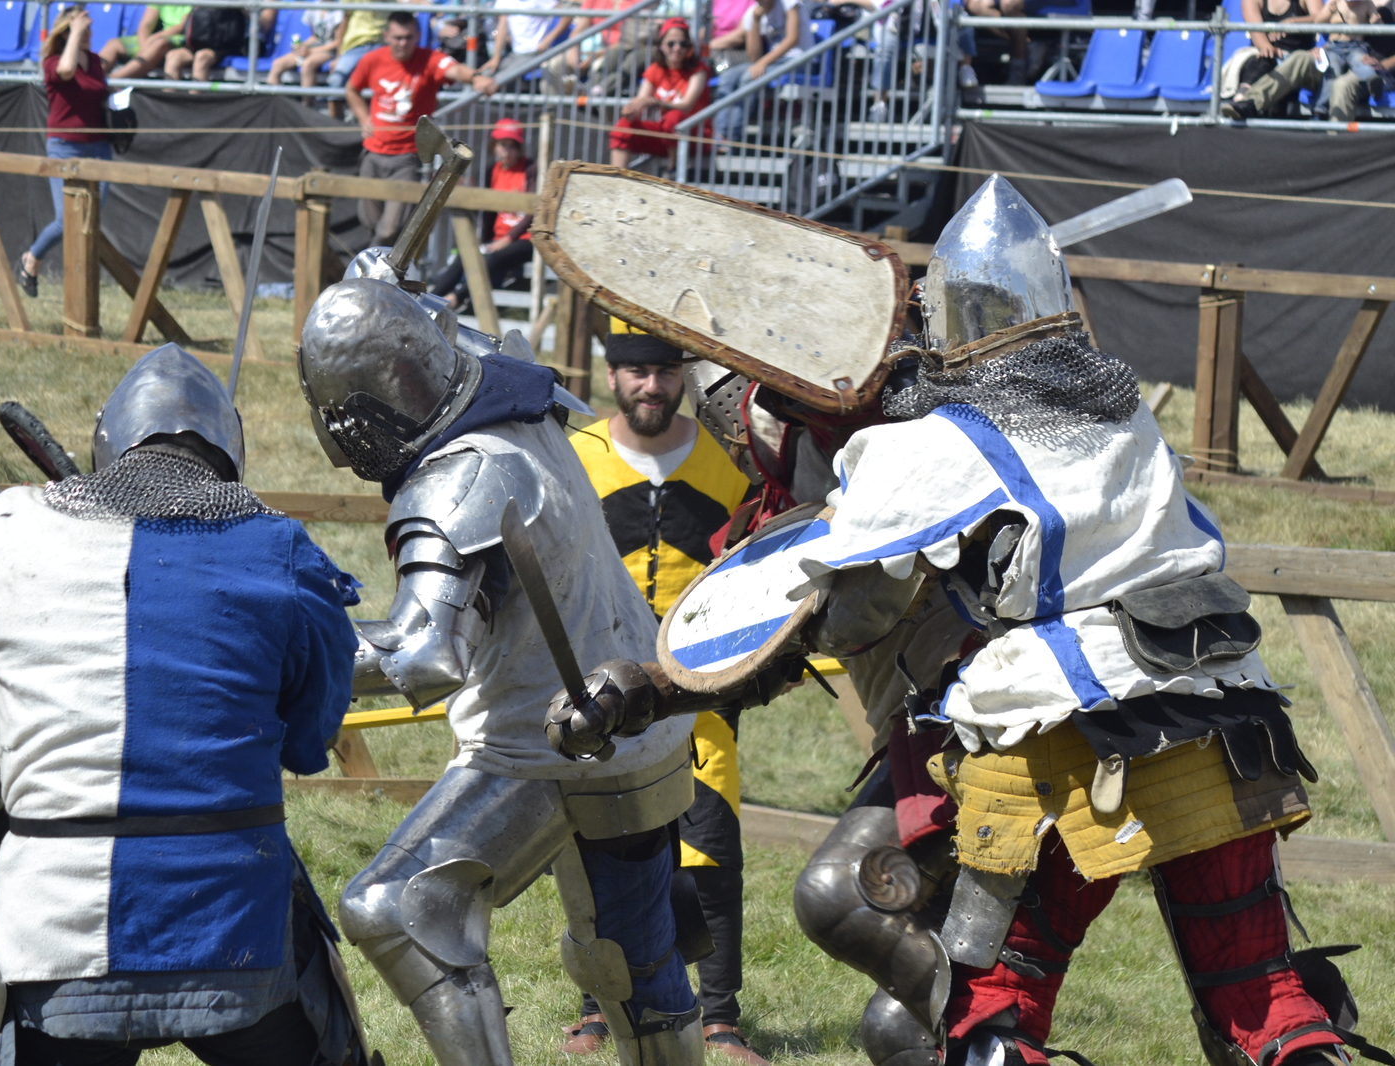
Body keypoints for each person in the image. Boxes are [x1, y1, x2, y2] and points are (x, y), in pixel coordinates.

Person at [544, 175, 1383, 1066]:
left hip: (1066, 737)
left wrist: (660, 683)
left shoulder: (942, 438)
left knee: (994, 1010)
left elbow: (852, 603)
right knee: (1266, 997)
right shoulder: (1122, 408)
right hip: (1226, 718)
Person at [0, 342, 370, 1066]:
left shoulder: (1, 532)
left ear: (107, 443)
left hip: (60, 937)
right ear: (230, 453)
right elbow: (309, 740)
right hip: (232, 931)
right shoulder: (282, 549)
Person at [299, 266, 708, 1066]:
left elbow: (424, 655)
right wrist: (396, 296)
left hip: (551, 740)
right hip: (641, 709)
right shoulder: (509, 380)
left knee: (396, 905)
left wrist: (278, 650)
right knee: (629, 959)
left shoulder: (460, 481)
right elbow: (451, 326)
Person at [563, 320, 766, 1065]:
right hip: (602, 697)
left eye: (665, 370)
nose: (652, 385)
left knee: (710, 851)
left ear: (683, 375)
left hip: (699, 694)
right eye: (637, 371)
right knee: (603, 855)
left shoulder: (731, 463)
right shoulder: (576, 457)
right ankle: (598, 1010)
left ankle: (721, 1019)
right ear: (613, 375)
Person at [345, 12, 497, 246]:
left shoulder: (430, 59)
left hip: (405, 158)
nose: (402, 43)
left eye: (407, 37)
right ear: (387, 36)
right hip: (373, 153)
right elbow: (351, 89)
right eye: (397, 37)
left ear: (417, 36)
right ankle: (374, 264)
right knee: (370, 221)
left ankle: (371, 270)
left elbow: (454, 70)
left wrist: (475, 77)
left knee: (390, 228)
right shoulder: (372, 59)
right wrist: (364, 118)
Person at [16, 6, 110, 298]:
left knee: (91, 216)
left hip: (99, 147)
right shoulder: (53, 62)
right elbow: (66, 71)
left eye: (90, 27)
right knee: (66, 218)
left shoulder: (95, 61)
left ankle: (82, 282)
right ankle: (32, 259)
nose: (90, 32)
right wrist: (76, 30)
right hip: (64, 146)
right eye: (84, 27)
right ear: (68, 31)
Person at [428, 117, 536, 311]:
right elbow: (485, 211)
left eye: (512, 146)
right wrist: (467, 191)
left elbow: (533, 213)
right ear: (494, 146)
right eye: (503, 145)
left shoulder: (530, 169)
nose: (507, 151)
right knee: (466, 254)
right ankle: (429, 300)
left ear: (519, 148)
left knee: (492, 259)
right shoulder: (492, 171)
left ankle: (456, 298)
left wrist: (508, 239)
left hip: (525, 239)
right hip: (496, 238)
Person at [1225, 0, 1391, 120]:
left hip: (1365, 70)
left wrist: (1383, 65)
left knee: (1342, 84)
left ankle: (1334, 143)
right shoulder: (1339, 2)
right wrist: (1323, 47)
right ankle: (1250, 103)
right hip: (1334, 57)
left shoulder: (1383, 7)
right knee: (1301, 58)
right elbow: (1321, 21)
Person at [610, 18, 711, 170]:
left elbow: (687, 106)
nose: (677, 48)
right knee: (623, 127)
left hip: (694, 136)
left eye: (683, 44)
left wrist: (656, 102)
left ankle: (674, 169)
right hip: (667, 136)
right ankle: (616, 180)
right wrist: (631, 112)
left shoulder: (698, 70)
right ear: (661, 45)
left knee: (674, 117)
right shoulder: (656, 68)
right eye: (671, 43)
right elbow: (640, 101)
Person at [710, 0, 806, 148]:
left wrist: (763, 62)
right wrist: (755, 22)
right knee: (728, 77)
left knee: (749, 77)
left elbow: (793, 39)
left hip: (799, 60)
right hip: (773, 62)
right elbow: (754, 57)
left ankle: (731, 137)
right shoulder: (752, 12)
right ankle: (720, 135)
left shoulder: (789, 3)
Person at [1220, 0, 1327, 112]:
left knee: (1286, 65)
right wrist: (1269, 49)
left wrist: (1292, 22)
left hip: (1294, 60)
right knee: (1263, 59)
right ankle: (1242, 99)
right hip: (1265, 58)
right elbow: (1258, 36)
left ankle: (1243, 102)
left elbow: (1321, 17)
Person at [481, 0, 577, 92]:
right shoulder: (504, 1)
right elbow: (502, 26)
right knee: (482, 76)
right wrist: (495, 58)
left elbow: (567, 15)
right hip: (515, 54)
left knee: (495, 81)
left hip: (535, 53)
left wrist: (547, 41)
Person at [165, 5, 269, 82]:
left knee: (202, 57)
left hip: (231, 45)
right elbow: (187, 21)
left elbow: (265, 25)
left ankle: (196, 104)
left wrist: (240, 5)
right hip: (199, 41)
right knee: (173, 56)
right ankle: (169, 107)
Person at [98, 4, 191, 78]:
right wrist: (144, 46)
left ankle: (115, 81)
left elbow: (182, 26)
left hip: (183, 39)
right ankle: (94, 76)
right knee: (114, 44)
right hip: (155, 39)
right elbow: (145, 25)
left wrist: (152, 40)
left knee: (159, 43)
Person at [267, 7, 341, 87]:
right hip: (313, 48)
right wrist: (301, 46)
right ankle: (273, 98)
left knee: (307, 65)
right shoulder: (313, 9)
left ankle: (307, 100)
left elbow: (338, 42)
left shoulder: (339, 12)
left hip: (329, 51)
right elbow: (315, 37)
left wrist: (310, 51)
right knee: (278, 64)